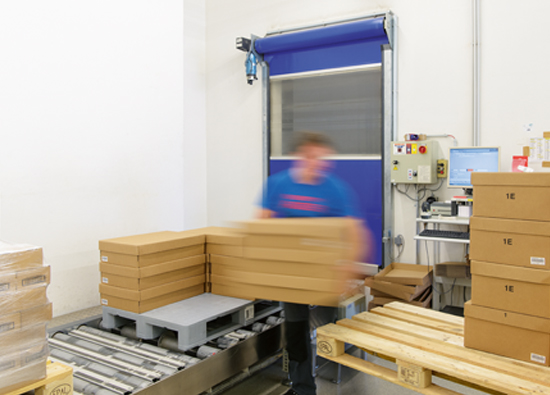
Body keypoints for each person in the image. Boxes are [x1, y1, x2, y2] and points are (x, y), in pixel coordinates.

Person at [257, 131, 368, 395]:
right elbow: (261, 225)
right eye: (311, 157)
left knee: (325, 328)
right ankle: (303, 387)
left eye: (322, 158)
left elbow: (355, 233)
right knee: (296, 332)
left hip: (325, 274)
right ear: (300, 156)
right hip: (292, 273)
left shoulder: (335, 189)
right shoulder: (278, 184)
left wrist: (348, 269)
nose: (317, 163)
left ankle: (327, 362)